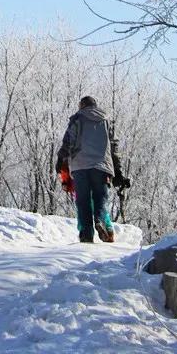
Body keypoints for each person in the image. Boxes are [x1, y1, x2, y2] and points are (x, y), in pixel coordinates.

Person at [56, 95, 130, 244]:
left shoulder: (77, 118)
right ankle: (101, 221)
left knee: (83, 201)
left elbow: (68, 141)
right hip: (102, 167)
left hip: (80, 166)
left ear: (82, 106)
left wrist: (61, 158)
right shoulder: (106, 120)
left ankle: (86, 235)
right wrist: (118, 172)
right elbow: (113, 148)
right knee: (100, 199)